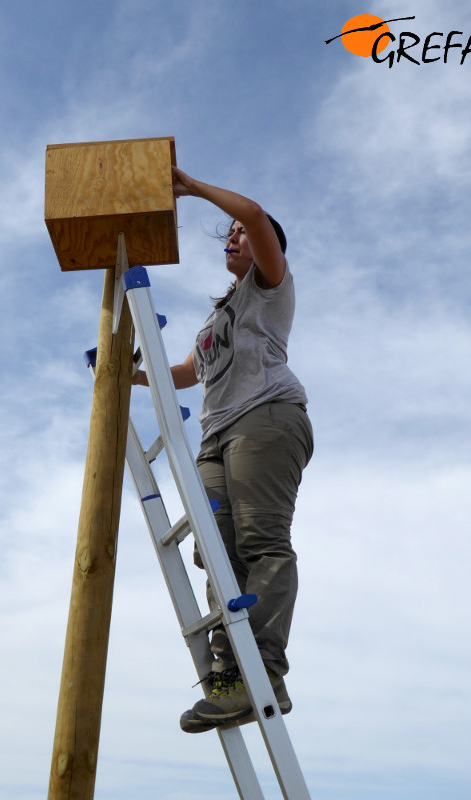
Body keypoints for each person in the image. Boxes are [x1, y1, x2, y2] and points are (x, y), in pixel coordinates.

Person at [132, 165, 313, 732]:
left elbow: (257, 216)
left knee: (262, 542)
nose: (233, 235)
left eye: (239, 232)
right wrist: (131, 375)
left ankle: (264, 671)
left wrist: (191, 188)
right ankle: (231, 675)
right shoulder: (218, 316)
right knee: (215, 550)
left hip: (265, 421)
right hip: (215, 436)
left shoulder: (270, 286)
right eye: (227, 232)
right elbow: (188, 372)